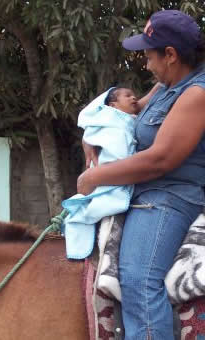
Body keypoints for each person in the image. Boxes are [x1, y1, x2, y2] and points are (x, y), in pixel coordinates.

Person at [77, 9, 205, 339]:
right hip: (141, 195)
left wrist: (95, 177)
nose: (146, 64)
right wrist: (91, 136)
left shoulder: (197, 95)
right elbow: (125, 114)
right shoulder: (167, 87)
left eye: (148, 56)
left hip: (167, 199)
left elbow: (159, 159)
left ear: (170, 55)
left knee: (137, 279)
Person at [62, 86, 158, 259]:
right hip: (111, 170)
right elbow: (95, 130)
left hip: (127, 172)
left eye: (134, 95)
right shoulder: (110, 118)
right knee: (107, 208)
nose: (133, 98)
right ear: (113, 106)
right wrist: (88, 138)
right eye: (128, 95)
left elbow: (144, 101)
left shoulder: (130, 118)